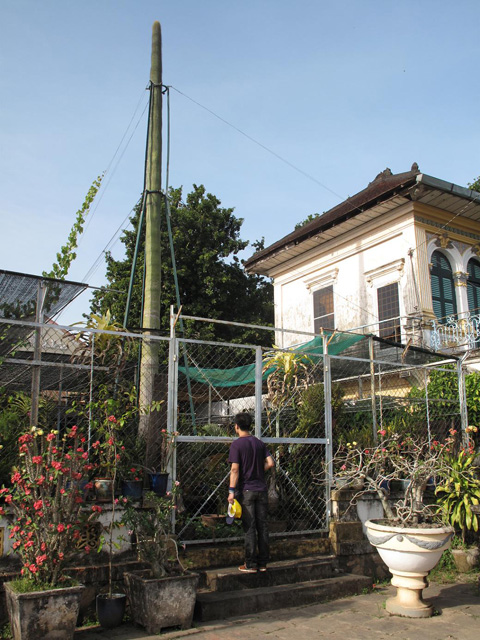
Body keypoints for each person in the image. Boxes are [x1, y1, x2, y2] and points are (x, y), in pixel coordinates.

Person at [228, 412, 275, 573]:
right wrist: (259, 471)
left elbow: (235, 469)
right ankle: (263, 563)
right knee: (262, 526)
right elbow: (270, 462)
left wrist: (231, 491)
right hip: (261, 489)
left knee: (249, 527)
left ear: (236, 426)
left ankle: (250, 563)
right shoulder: (259, 443)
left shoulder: (237, 445)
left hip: (246, 490)